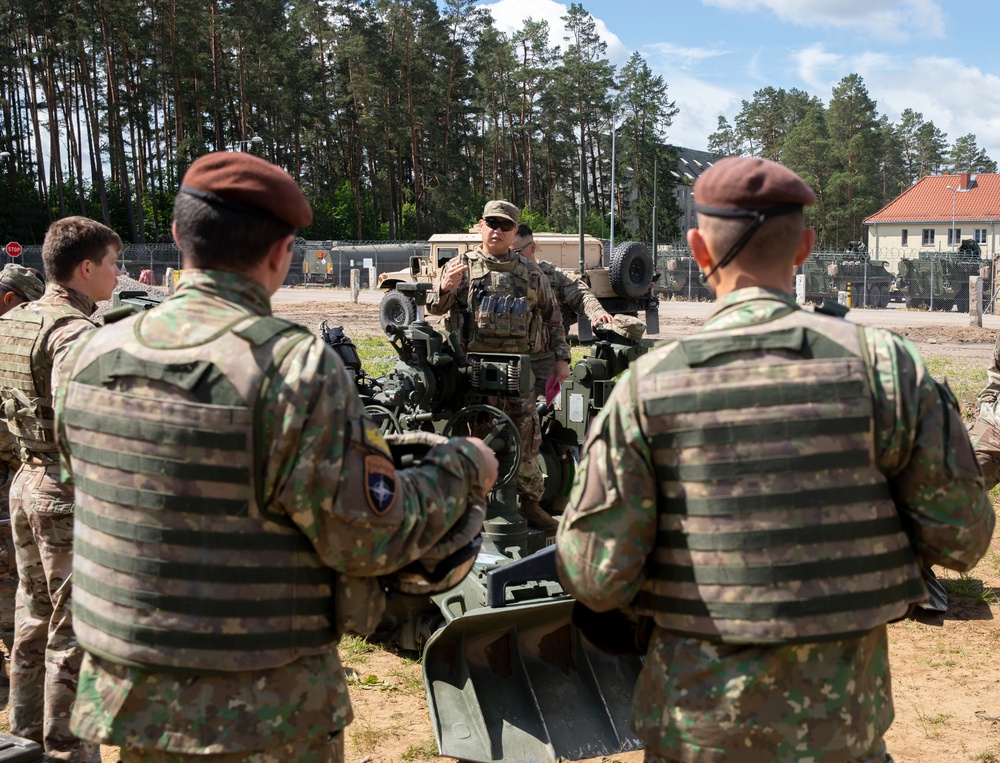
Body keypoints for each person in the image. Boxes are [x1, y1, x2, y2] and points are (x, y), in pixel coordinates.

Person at [53, 152, 498, 762]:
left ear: (179, 236)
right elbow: (368, 538)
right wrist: (463, 467)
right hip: (264, 712)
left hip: (133, 699)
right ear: (282, 252)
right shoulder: (291, 365)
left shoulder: (90, 355)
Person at [556, 156, 994, 763]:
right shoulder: (886, 368)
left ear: (698, 251)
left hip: (695, 732)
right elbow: (963, 538)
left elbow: (593, 576)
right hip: (840, 731)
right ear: (806, 248)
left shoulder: (647, 388)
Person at [0, 218, 123, 762]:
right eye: (114, 265)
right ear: (87, 268)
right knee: (76, 632)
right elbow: (85, 429)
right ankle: (68, 751)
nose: (118, 277)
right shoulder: (74, 334)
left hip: (25, 480)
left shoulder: (17, 322)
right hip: (66, 492)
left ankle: (24, 740)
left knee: (31, 618)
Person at [427, 201, 570, 531]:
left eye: (505, 226)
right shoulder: (462, 267)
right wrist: (445, 287)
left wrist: (562, 359)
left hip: (519, 371)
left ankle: (530, 504)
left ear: (514, 232)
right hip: (473, 371)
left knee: (526, 441)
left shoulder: (531, 273)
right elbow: (434, 307)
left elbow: (553, 318)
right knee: (474, 440)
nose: (497, 230)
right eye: (491, 223)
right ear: (480, 226)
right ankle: (472, 507)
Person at [511, 223, 614, 397]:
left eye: (515, 252)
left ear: (533, 247)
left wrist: (598, 313)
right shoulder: (503, 275)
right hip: (511, 360)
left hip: (543, 362)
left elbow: (581, 295)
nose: (510, 258)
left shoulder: (552, 276)